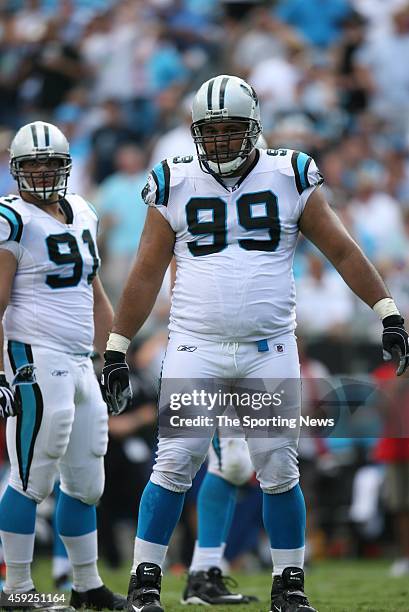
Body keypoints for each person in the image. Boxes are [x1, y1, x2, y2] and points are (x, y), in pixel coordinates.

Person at [101, 75, 409, 612]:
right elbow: (146, 273)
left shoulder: (289, 173)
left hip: (270, 348)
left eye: (231, 130)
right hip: (196, 346)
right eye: (210, 131)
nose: (220, 141)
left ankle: (289, 585)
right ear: (195, 132)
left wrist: (387, 311)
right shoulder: (174, 180)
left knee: (278, 468)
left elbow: (340, 248)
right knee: (174, 463)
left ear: (255, 128)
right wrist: (116, 347)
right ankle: (144, 583)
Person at [0, 121, 126, 610]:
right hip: (33, 353)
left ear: (66, 165)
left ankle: (86, 585)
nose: (41, 173)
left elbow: (93, 292)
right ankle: (16, 590)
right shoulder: (12, 219)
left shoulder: (85, 213)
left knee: (87, 481)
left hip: (78, 360)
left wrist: (112, 354)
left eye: (50, 163)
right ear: (16, 169)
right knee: (33, 476)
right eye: (31, 164)